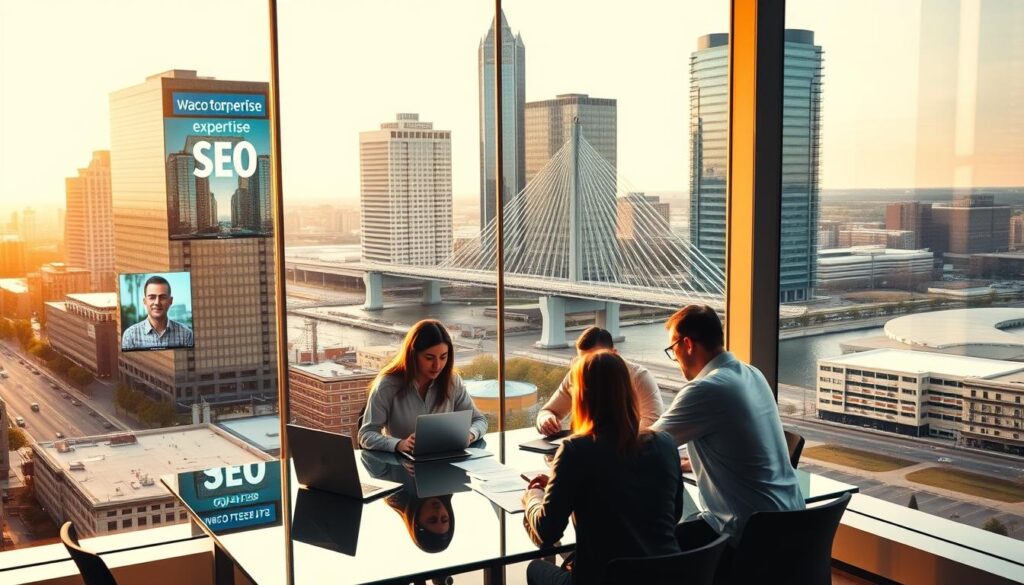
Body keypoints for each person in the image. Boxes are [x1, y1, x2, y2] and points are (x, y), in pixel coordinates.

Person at [522, 351, 683, 585]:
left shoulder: (575, 450)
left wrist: (533, 498)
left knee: (535, 569)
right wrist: (565, 486)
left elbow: (547, 533)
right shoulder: (665, 443)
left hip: (604, 578)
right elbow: (673, 514)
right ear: (628, 391)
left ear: (582, 396)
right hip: (665, 576)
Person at [651, 305, 803, 546]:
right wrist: (697, 463)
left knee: (653, 542)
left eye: (673, 349)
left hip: (747, 535)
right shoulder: (753, 374)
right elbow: (746, 446)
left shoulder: (706, 389)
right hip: (794, 524)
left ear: (688, 344)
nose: (675, 359)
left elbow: (643, 445)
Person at [358, 319, 487, 453]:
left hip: (445, 462)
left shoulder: (452, 382)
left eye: (443, 357)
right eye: (429, 358)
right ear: (413, 356)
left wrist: (470, 435)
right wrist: (400, 444)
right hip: (402, 466)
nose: (437, 366)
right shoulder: (388, 385)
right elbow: (366, 434)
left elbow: (479, 420)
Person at [535, 327, 664, 436]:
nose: (589, 368)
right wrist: (545, 420)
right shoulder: (576, 374)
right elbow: (548, 411)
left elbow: (654, 426)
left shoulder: (639, 377)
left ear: (615, 354)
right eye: (583, 361)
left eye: (596, 359)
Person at [121, 275, 194, 351]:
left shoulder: (186, 334)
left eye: (162, 297)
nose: (157, 302)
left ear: (170, 301)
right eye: (152, 297)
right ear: (145, 301)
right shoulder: (130, 335)